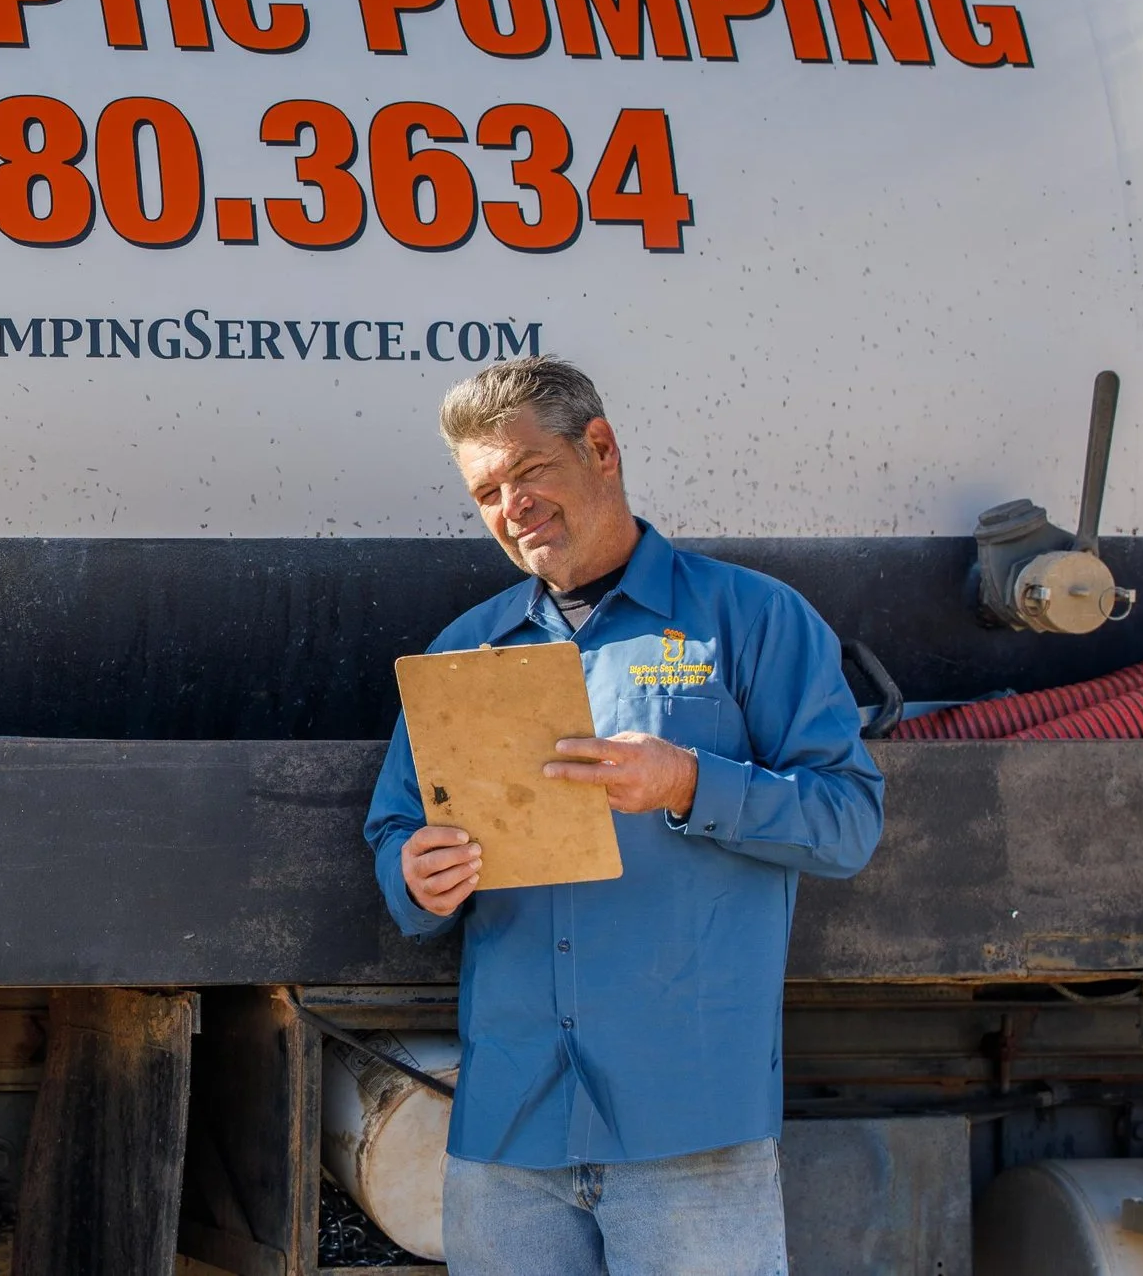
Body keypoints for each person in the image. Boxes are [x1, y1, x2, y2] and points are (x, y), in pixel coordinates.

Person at [364, 356, 884, 1276]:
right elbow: (395, 828)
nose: (511, 504)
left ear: (599, 448)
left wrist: (690, 782)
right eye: (488, 491)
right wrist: (413, 872)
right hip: (510, 1134)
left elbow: (847, 820)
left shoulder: (753, 619)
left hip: (688, 1129)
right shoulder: (465, 653)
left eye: (528, 472)